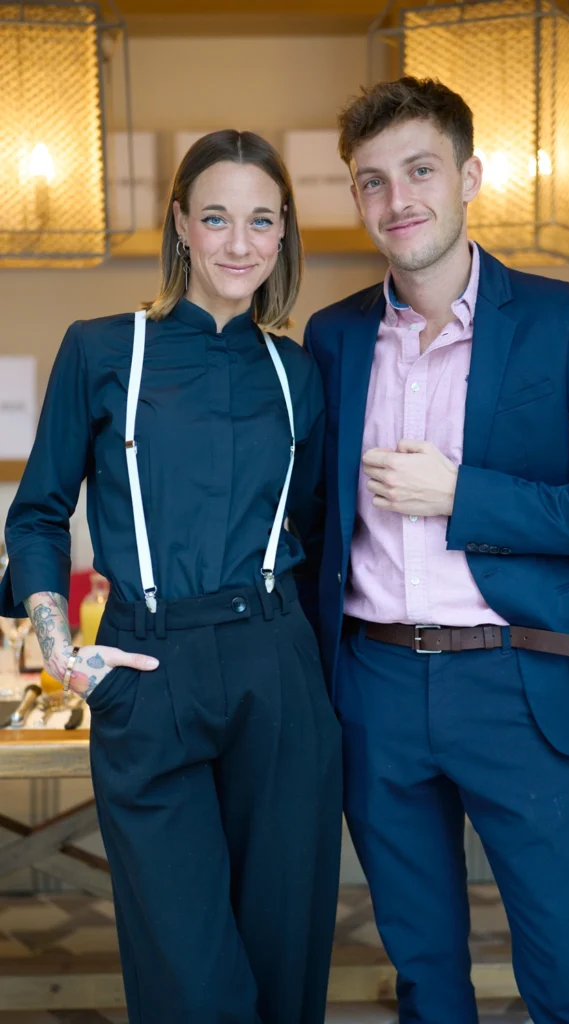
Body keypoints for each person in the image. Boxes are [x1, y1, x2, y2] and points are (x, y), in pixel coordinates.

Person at [304, 77, 569, 1024]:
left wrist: (461, 496)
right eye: (372, 180)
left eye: (420, 170)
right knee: (424, 977)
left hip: (516, 683)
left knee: (566, 976)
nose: (397, 199)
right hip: (373, 687)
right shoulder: (332, 337)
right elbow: (310, 521)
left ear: (468, 176)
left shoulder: (565, 319)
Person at [1, 129, 342, 1024]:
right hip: (147, 669)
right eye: (217, 217)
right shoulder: (102, 349)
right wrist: (61, 653)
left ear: (282, 232)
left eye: (260, 220)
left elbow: (312, 534)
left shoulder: (297, 371)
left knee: (284, 959)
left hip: (277, 667)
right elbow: (37, 514)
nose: (239, 243)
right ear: (182, 225)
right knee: (188, 979)